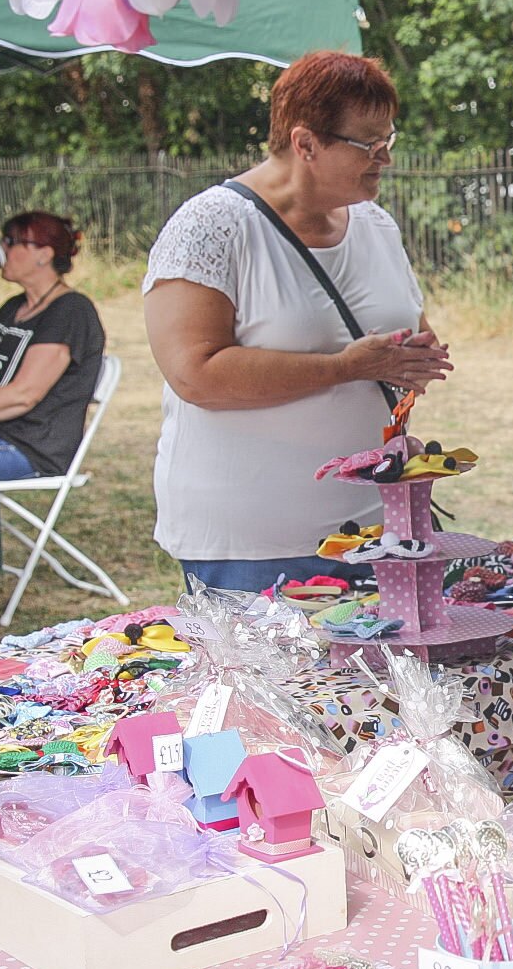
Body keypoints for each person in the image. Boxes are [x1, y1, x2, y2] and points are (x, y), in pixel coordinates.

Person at [143, 51, 451, 593]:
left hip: (377, 532)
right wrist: (345, 368)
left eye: (389, 139)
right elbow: (195, 375)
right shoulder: (212, 225)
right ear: (305, 143)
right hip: (254, 546)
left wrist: (411, 362)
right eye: (368, 144)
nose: (385, 157)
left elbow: (400, 333)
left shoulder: (376, 224)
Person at [0, 211, 106, 480]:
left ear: (44, 254)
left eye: (11, 242)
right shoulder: (16, 306)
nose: (2, 250)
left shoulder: (71, 310)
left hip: (25, 446)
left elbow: (24, 394)